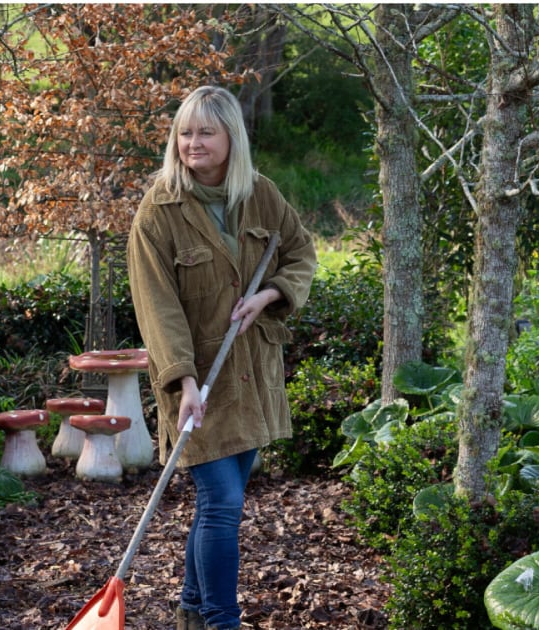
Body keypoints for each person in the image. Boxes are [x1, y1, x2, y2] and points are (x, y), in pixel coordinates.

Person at [127, 85, 317, 630]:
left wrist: (271, 293)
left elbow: (301, 250)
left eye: (206, 132)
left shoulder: (260, 195)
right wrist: (183, 382)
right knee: (224, 503)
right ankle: (220, 620)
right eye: (185, 132)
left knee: (218, 505)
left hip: (251, 376)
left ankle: (190, 607)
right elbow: (157, 308)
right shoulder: (158, 212)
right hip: (197, 384)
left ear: (232, 136)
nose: (193, 143)